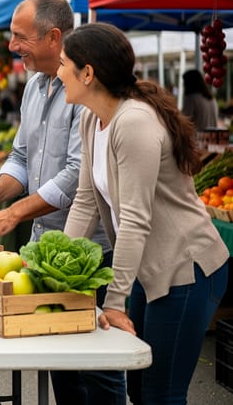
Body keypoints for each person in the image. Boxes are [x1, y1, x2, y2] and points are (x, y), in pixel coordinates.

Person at [0, 0, 121, 405]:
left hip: (89, 250)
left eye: (19, 37)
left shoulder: (86, 90)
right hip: (45, 249)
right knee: (59, 360)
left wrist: (13, 214)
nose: (12, 47)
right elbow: (22, 157)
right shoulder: (33, 86)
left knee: (98, 369)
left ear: (53, 37)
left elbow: (75, 176)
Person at [58, 22, 229, 404]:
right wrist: (55, 269)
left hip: (186, 269)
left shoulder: (133, 122)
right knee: (137, 383)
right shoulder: (91, 119)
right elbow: (85, 199)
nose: (57, 72)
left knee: (160, 393)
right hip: (147, 268)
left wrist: (114, 303)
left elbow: (135, 220)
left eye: (63, 63)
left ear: (88, 73)